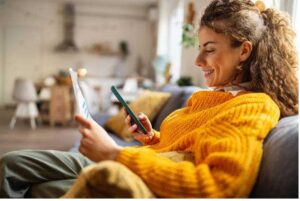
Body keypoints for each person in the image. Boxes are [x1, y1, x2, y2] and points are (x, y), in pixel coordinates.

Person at [0, 0, 298, 198]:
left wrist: (115, 154)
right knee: (12, 164)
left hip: (133, 173)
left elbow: (220, 186)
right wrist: (151, 137)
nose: (197, 60)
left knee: (39, 187)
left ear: (243, 51)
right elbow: (183, 150)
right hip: (137, 161)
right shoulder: (209, 99)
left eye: (209, 49)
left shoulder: (252, 106)